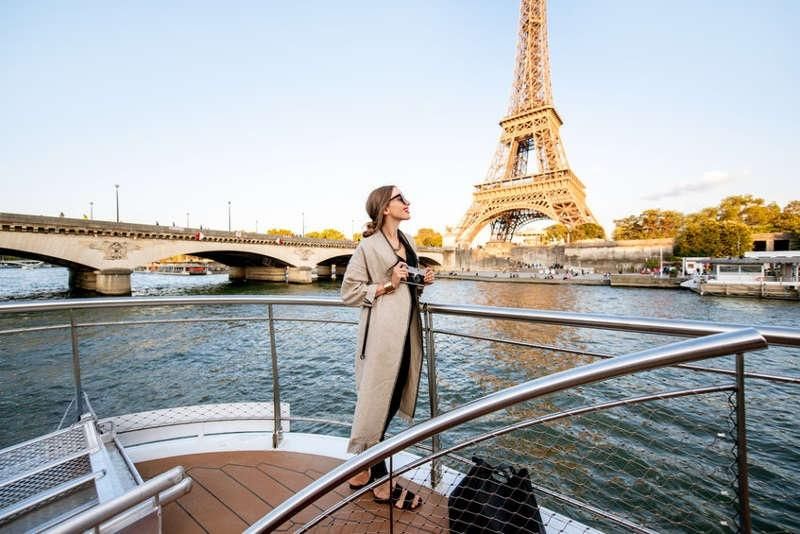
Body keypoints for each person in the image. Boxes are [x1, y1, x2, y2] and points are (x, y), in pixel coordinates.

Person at [341, 185, 434, 511]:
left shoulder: (406, 241)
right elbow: (349, 293)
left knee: (389, 403)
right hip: (382, 339)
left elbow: (405, 283)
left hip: (406, 333)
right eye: (400, 199)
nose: (408, 202)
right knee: (381, 404)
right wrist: (386, 285)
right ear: (384, 207)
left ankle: (364, 468)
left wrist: (420, 279)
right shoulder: (367, 247)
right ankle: (381, 483)